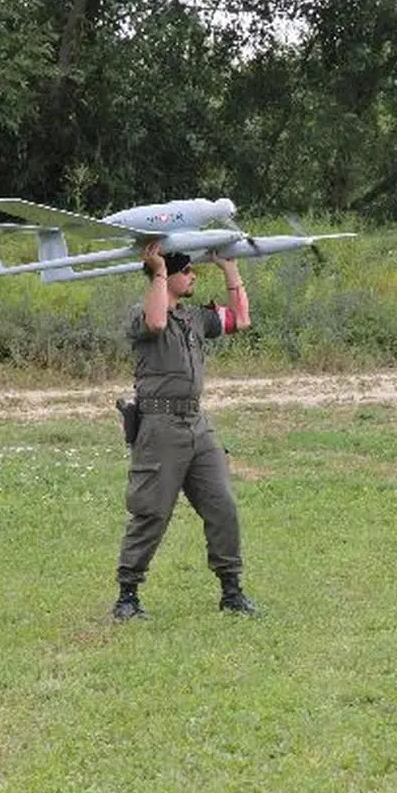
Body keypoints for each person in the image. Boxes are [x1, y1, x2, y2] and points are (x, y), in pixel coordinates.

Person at [112, 241, 258, 621]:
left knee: (222, 505)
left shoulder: (194, 318)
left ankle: (232, 591)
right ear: (170, 276)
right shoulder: (142, 315)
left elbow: (241, 320)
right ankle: (127, 596)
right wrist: (158, 269)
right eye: (187, 271)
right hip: (159, 428)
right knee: (152, 512)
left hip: (197, 424)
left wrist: (229, 268)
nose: (193, 275)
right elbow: (157, 322)